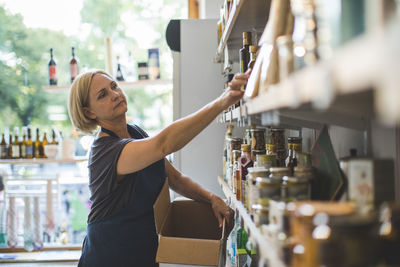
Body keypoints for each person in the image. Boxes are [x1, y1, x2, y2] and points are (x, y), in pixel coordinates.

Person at [68, 69, 249, 266]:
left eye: (114, 86)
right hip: (109, 256)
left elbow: (175, 179)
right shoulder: (105, 152)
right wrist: (222, 101)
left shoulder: (135, 132)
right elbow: (164, 143)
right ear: (89, 112)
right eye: (103, 95)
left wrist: (212, 199)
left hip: (142, 254)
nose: (115, 95)